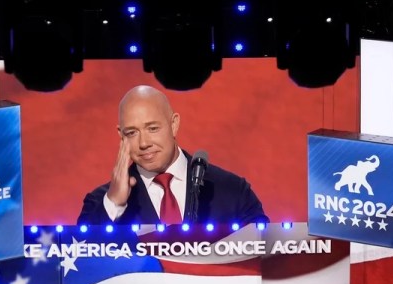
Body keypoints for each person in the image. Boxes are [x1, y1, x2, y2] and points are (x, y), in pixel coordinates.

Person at [77, 85, 268, 226]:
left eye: (152, 128)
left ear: (174, 124)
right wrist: (114, 203)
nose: (144, 143)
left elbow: (266, 261)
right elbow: (84, 269)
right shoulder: (100, 203)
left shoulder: (232, 191)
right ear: (120, 135)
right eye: (132, 133)